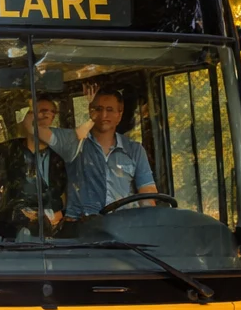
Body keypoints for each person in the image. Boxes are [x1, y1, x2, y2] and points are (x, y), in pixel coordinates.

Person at [42, 88, 156, 219]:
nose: (104, 115)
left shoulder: (134, 150)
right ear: (91, 111)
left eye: (109, 110)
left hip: (124, 227)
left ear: (119, 114)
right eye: (98, 109)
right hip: (83, 228)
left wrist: (149, 220)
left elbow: (147, 191)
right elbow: (35, 129)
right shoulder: (73, 144)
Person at [0, 97, 70, 236]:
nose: (46, 115)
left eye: (51, 112)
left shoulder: (60, 157)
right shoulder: (10, 154)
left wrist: (57, 216)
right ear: (29, 116)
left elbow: (68, 198)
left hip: (57, 233)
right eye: (41, 111)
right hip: (16, 233)